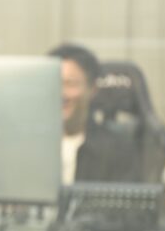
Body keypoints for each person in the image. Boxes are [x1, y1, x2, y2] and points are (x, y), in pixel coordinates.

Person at [49, 43, 139, 184]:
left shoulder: (117, 149)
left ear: (92, 90)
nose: (62, 94)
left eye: (70, 84)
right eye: (55, 83)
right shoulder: (29, 147)